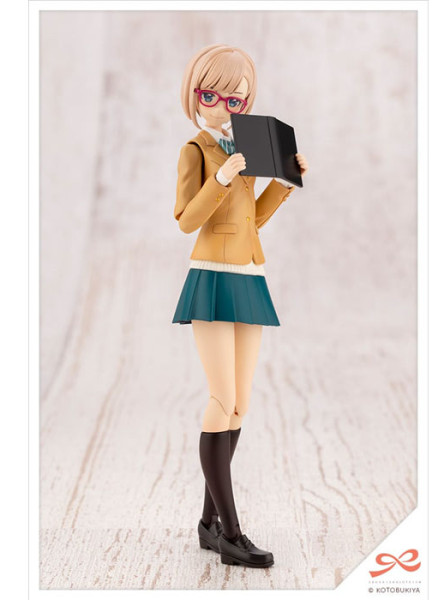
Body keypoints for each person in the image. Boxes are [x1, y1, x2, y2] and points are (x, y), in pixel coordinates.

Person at [172, 44, 309, 568]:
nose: (223, 106)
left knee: (240, 404)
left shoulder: (246, 148)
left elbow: (251, 218)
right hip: (211, 275)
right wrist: (222, 177)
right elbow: (187, 219)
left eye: (236, 98)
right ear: (195, 96)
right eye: (211, 95)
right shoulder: (196, 149)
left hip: (249, 273)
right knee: (221, 397)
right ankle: (230, 531)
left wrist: (283, 183)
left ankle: (209, 525)